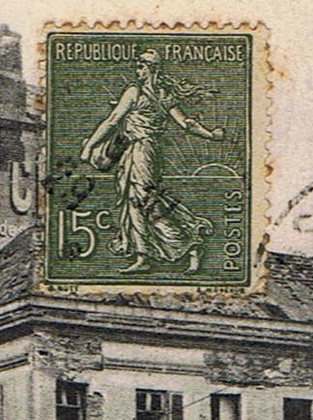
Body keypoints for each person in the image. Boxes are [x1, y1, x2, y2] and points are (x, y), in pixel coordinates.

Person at [78, 49, 225, 274]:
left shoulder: (134, 92)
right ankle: (145, 254)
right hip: (144, 151)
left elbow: (112, 120)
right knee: (138, 200)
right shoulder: (165, 95)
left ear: (150, 68)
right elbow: (187, 123)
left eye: (140, 66)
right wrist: (211, 134)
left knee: (142, 201)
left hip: (141, 150)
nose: (137, 70)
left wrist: (89, 146)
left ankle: (189, 242)